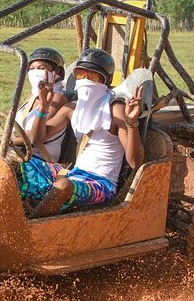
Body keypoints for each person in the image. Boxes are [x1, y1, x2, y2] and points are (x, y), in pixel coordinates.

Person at [18, 48, 145, 218]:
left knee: (63, 187)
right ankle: (12, 212)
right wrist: (44, 107)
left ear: (104, 81)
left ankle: (31, 226)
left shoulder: (115, 110)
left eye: (91, 76)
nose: (84, 80)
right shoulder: (73, 108)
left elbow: (135, 162)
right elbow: (38, 138)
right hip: (74, 174)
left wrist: (131, 123)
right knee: (14, 163)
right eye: (80, 74)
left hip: (101, 183)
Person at [13, 47, 68, 163]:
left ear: (56, 72)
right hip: (17, 151)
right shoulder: (32, 96)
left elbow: (35, 135)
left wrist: (8, 140)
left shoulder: (58, 99)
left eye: (40, 68)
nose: (34, 72)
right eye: (31, 69)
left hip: (38, 159)